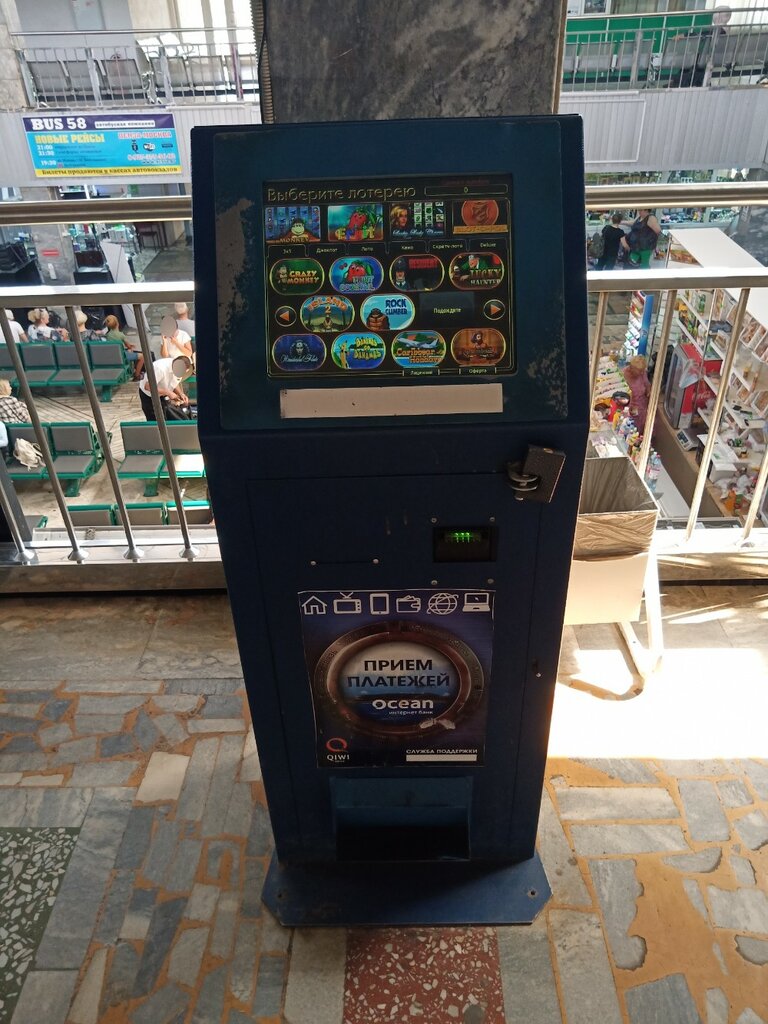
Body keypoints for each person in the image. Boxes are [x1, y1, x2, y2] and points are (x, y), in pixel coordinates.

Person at [672, 6, 731, 87]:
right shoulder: (725, 29)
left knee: (693, 60)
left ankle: (678, 82)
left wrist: (685, 35)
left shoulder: (720, 30)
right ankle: (680, 81)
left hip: (711, 57)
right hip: (713, 56)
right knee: (695, 60)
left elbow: (702, 34)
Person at [138, 355, 193, 420]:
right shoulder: (160, 368)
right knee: (154, 419)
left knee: (166, 416)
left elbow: (174, 382)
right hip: (149, 395)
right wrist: (168, 393)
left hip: (162, 394)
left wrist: (181, 394)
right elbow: (148, 386)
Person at [104, 314, 144, 380]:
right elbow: (128, 346)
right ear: (117, 323)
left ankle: (132, 370)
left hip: (112, 356)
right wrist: (130, 347)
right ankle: (137, 375)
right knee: (142, 357)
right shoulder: (121, 335)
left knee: (128, 351)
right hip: (121, 356)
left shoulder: (108, 335)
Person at [624, 355, 651, 434]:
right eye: (639, 371)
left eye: (643, 370)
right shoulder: (625, 374)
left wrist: (649, 392)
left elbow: (647, 384)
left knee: (639, 432)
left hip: (642, 407)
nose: (642, 372)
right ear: (632, 368)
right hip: (629, 407)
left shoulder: (642, 373)